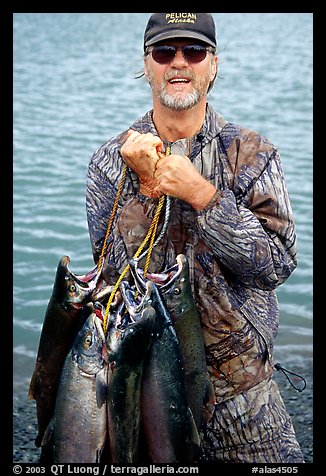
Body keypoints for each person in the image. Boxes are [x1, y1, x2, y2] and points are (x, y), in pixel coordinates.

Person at [86, 13, 304, 463]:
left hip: (241, 393)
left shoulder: (253, 154)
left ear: (214, 65)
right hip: (143, 388)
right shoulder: (109, 162)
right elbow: (111, 284)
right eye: (164, 52)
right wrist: (147, 191)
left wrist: (204, 198)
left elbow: (277, 265)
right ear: (146, 65)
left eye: (194, 51)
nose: (179, 63)